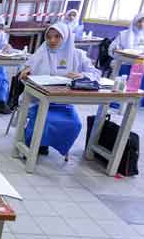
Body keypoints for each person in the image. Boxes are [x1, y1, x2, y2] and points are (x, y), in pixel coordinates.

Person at [18, 22, 100, 157]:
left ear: (65, 37)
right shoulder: (41, 53)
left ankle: (47, 142)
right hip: (38, 101)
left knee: (75, 123)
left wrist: (82, 75)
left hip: (63, 103)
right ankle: (35, 143)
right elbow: (25, 72)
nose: (52, 40)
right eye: (49, 37)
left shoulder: (78, 55)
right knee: (45, 121)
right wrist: (25, 72)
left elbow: (96, 74)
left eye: (57, 37)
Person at [109, 13, 144, 106]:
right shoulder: (124, 34)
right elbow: (112, 49)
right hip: (124, 63)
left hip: (141, 63)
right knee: (126, 75)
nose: (142, 24)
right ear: (135, 22)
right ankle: (118, 101)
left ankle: (137, 101)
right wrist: (120, 51)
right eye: (140, 21)